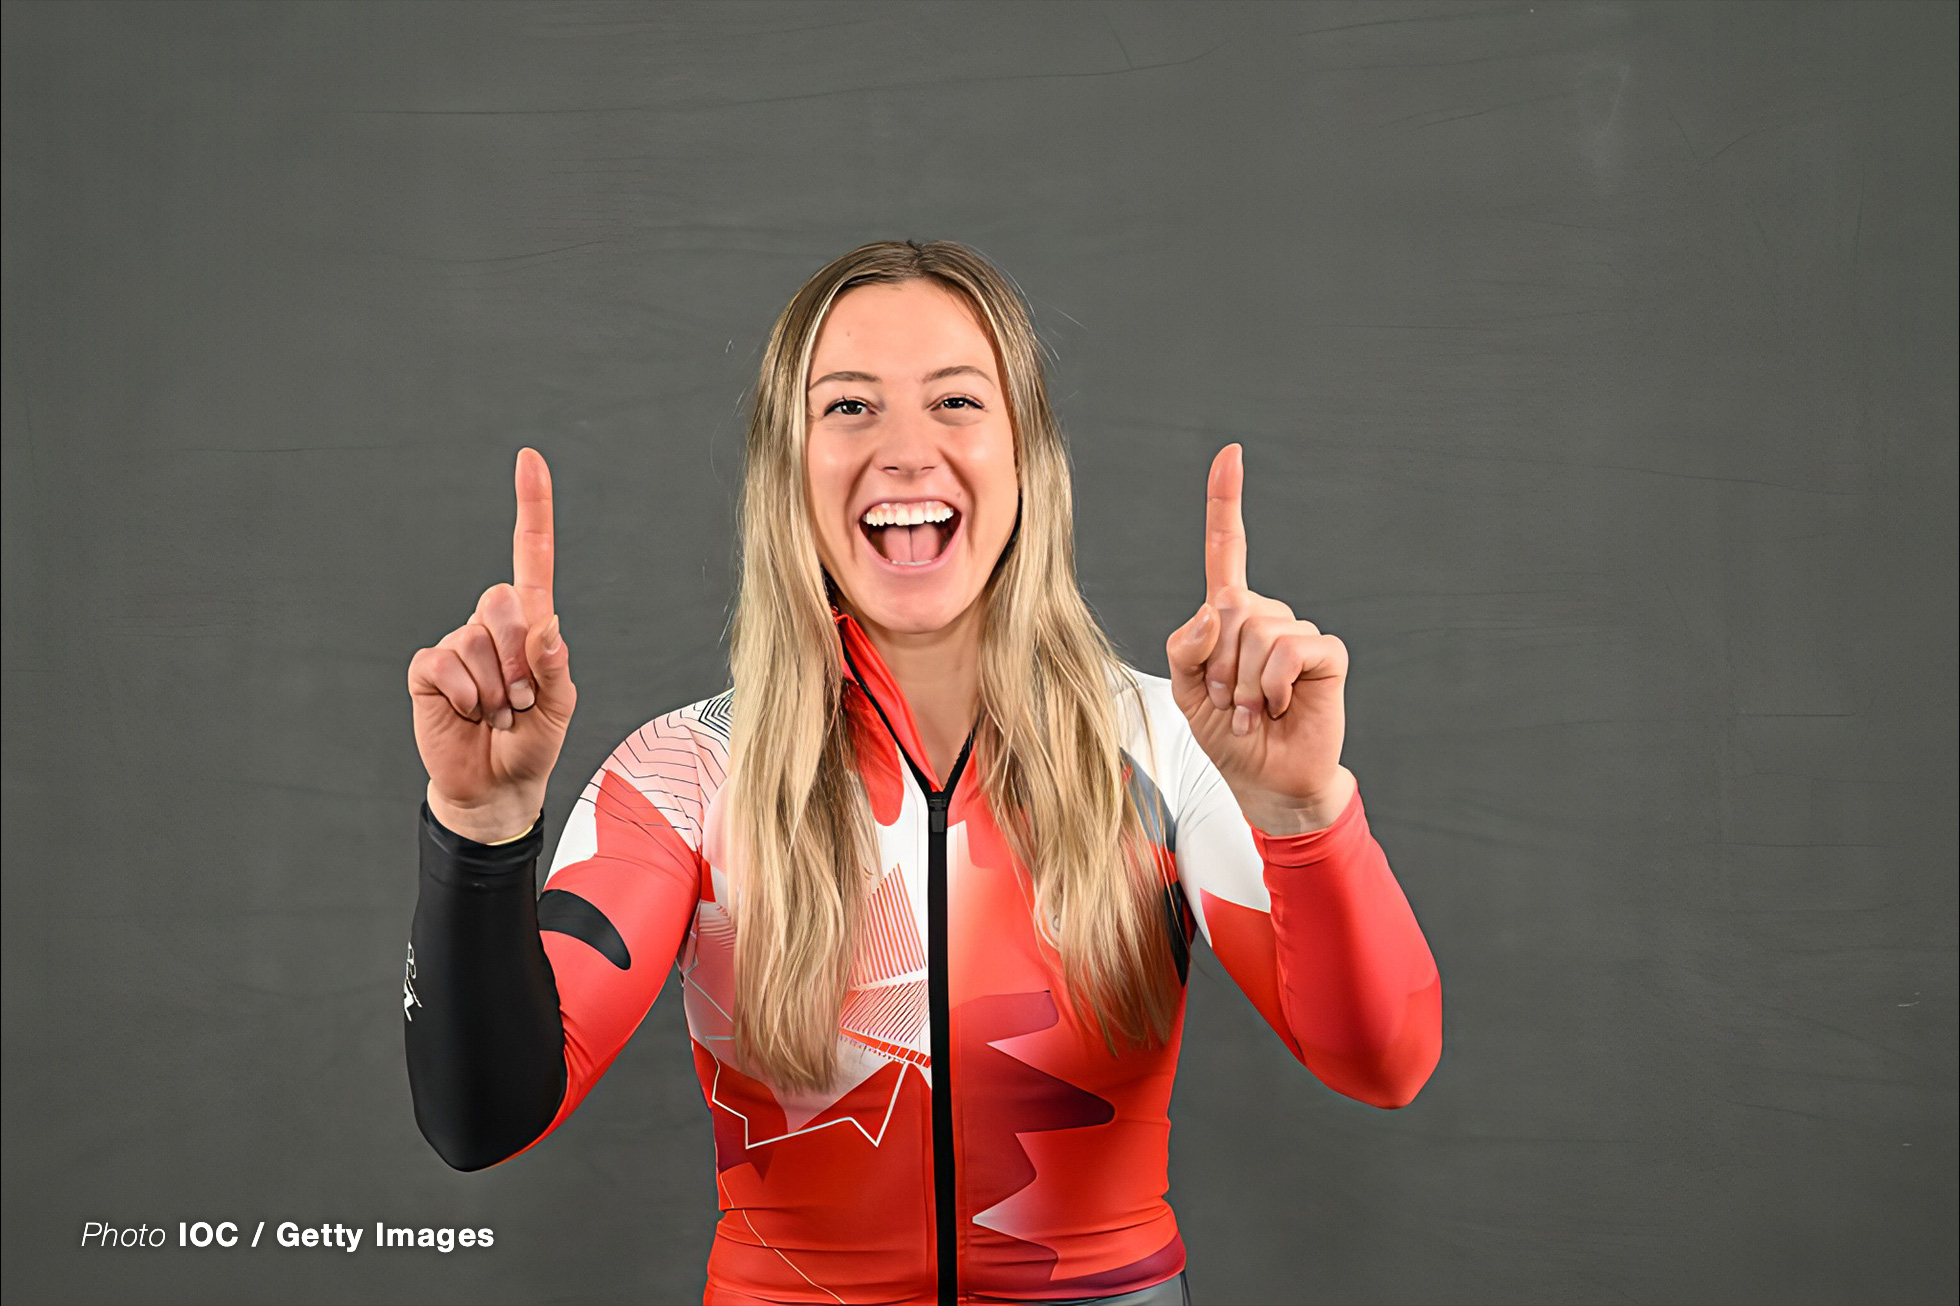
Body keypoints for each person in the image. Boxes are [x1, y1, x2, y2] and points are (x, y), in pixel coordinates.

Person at [402, 239, 1441, 1306]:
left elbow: (1382, 1058)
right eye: (849, 406)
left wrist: (1302, 810)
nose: (904, 453)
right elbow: (483, 1116)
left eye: (955, 401)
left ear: (1028, 453)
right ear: (784, 469)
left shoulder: (1174, 743)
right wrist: (479, 830)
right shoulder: (686, 772)